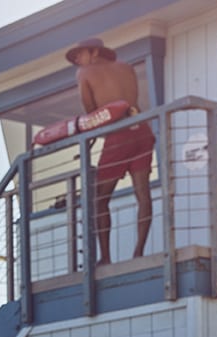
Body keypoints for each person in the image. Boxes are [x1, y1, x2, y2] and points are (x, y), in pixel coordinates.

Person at [68, 37, 154, 263]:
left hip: (118, 135)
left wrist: (90, 135)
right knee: (143, 193)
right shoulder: (126, 67)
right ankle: (139, 252)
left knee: (100, 198)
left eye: (79, 54)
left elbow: (91, 112)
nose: (77, 60)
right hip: (141, 129)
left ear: (94, 52)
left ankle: (105, 257)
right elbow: (130, 101)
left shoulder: (84, 73)